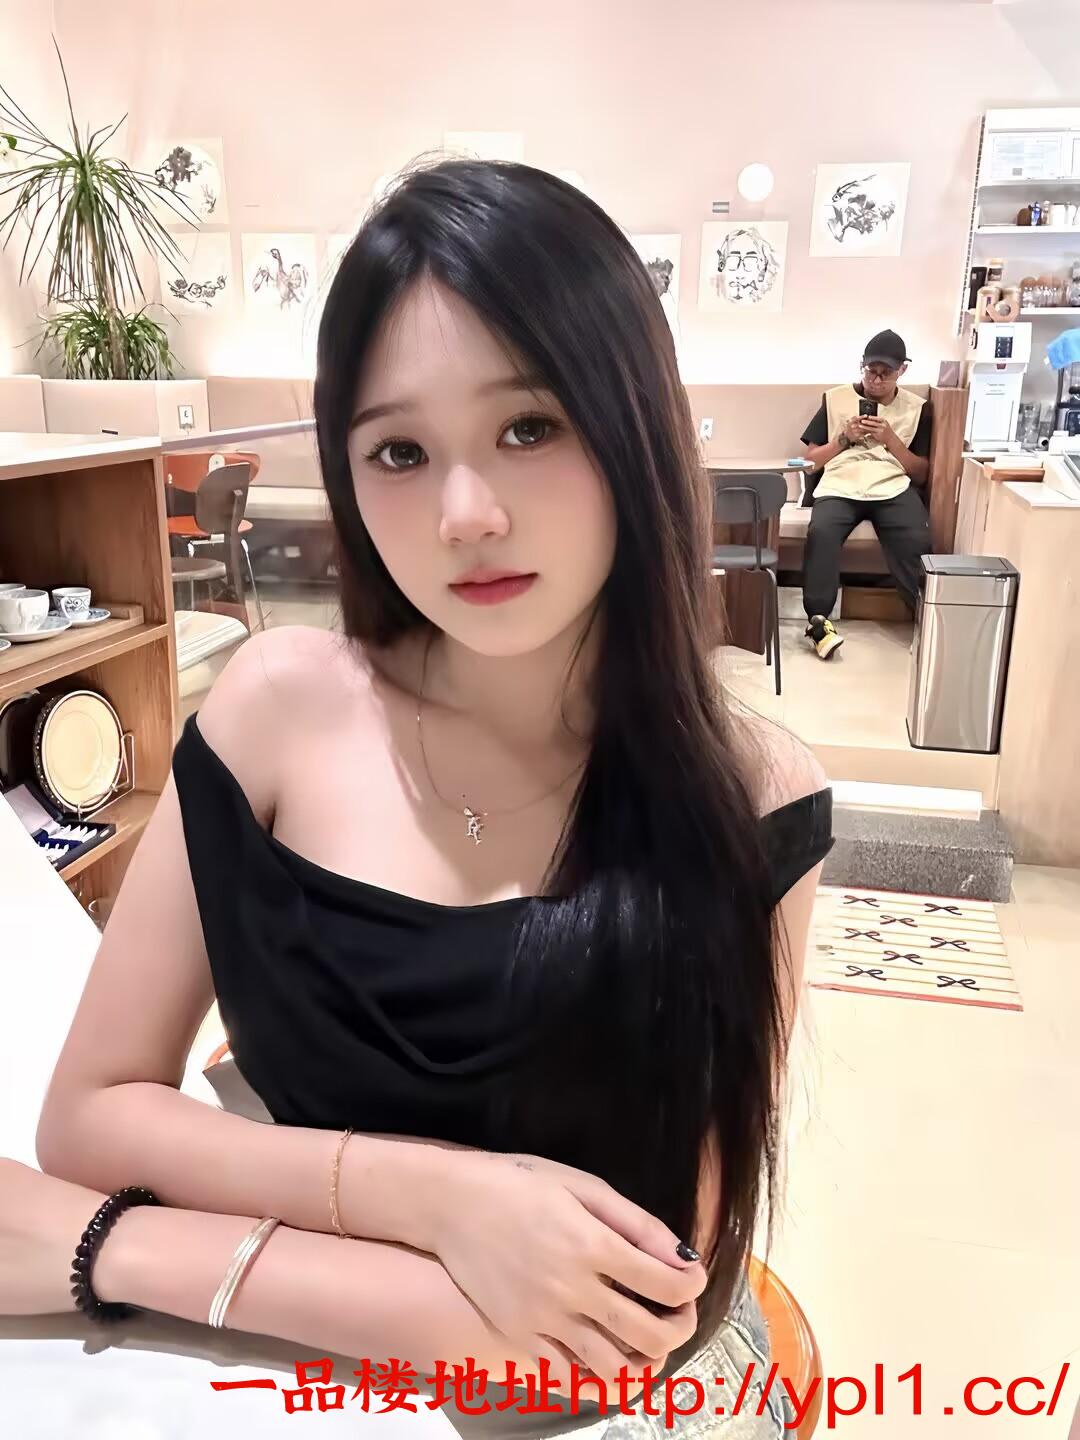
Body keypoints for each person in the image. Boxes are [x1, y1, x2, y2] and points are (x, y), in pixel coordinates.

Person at [0, 160, 832, 1438]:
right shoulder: (275, 709)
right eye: (399, 450)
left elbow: (625, 1323)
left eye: (529, 427)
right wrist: (448, 1203)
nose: (464, 514)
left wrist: (108, 1248)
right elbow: (92, 1115)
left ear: (636, 425)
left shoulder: (752, 797)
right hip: (246, 1391)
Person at [800, 329, 932, 659]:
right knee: (821, 531)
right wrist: (844, 438)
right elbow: (810, 463)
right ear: (862, 366)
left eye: (886, 373)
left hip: (891, 485)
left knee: (915, 535)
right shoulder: (834, 399)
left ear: (903, 370)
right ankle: (819, 624)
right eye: (870, 371)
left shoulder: (917, 408)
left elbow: (921, 472)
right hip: (840, 483)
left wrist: (891, 440)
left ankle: (928, 621)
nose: (876, 380)